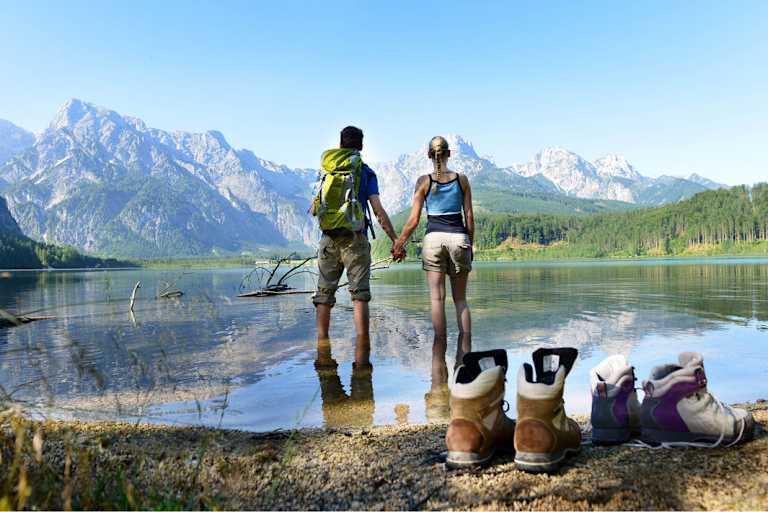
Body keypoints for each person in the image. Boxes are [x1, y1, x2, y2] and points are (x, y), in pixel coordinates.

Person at [311, 126, 399, 356]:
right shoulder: (365, 172)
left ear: (340, 144)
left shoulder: (327, 170)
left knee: (323, 295)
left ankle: (322, 351)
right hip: (355, 240)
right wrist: (395, 239)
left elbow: (316, 206)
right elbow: (377, 210)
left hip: (329, 238)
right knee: (360, 295)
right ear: (361, 146)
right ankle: (362, 356)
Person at [392, 135, 475, 373]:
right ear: (449, 154)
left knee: (437, 299)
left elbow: (413, 220)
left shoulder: (423, 182)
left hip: (433, 241)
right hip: (459, 239)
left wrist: (399, 243)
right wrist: (470, 245)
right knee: (460, 300)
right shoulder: (462, 180)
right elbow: (469, 216)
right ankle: (464, 361)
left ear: (429, 155)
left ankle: (439, 364)